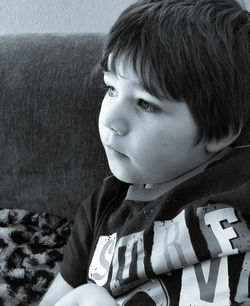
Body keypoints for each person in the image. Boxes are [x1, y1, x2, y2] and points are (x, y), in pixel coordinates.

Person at [39, 0, 250, 305]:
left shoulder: (240, 179)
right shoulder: (104, 207)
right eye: (111, 88)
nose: (111, 120)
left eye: (146, 103)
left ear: (221, 130)